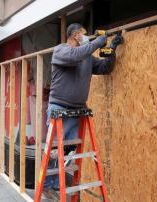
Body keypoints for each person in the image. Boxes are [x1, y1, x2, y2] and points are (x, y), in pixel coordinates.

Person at [43, 23, 123, 195]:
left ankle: (58, 186)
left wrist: (112, 48)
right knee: (55, 151)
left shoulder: (86, 57)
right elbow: (74, 56)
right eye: (85, 34)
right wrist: (97, 42)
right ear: (75, 35)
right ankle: (47, 186)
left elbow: (104, 68)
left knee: (68, 153)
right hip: (59, 109)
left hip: (77, 111)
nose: (88, 38)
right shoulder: (61, 51)